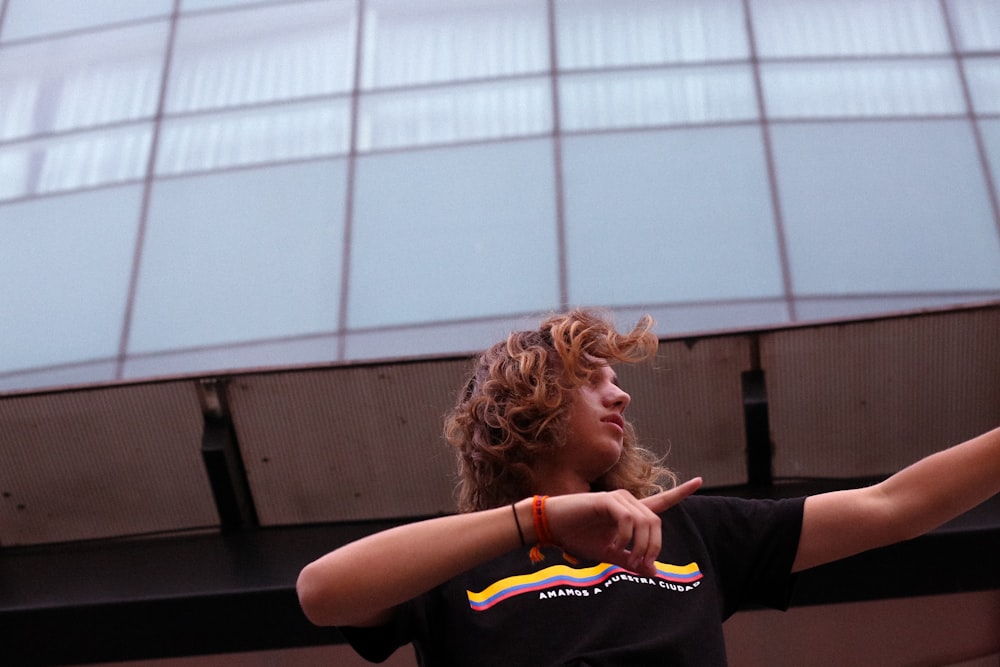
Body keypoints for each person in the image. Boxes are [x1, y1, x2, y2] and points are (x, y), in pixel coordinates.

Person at [297, 309, 1000, 665]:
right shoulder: (452, 561)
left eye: (618, 380)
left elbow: (895, 504)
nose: (622, 396)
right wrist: (536, 520)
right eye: (595, 379)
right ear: (530, 397)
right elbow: (322, 593)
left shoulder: (691, 533)